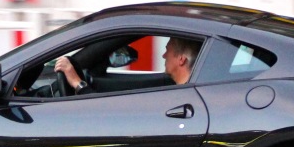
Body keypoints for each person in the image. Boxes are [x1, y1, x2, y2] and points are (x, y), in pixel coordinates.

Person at [53, 36, 198, 94]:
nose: (163, 55)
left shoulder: (179, 96)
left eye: (168, 51)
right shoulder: (180, 90)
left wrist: (76, 82)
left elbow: (99, 113)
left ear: (181, 59)